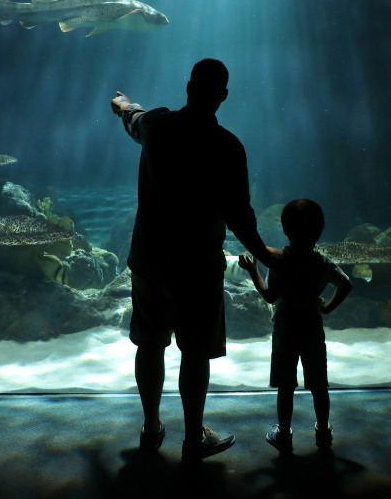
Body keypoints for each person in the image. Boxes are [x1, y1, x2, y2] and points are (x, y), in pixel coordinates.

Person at [111, 58, 281, 462]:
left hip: (149, 259)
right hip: (198, 266)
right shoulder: (227, 146)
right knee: (194, 351)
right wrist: (266, 255)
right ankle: (192, 436)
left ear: (188, 87)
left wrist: (120, 101)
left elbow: (130, 114)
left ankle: (151, 428)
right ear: (222, 96)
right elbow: (241, 218)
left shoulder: (156, 126)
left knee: (150, 345)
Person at [238, 198, 353, 453]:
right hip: (312, 326)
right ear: (320, 229)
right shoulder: (322, 262)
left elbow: (269, 296)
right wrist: (328, 307)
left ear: (285, 230)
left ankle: (284, 434)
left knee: (286, 385)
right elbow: (345, 284)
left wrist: (253, 271)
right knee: (319, 384)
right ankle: (323, 432)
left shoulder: (280, 262)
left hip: (285, 329)